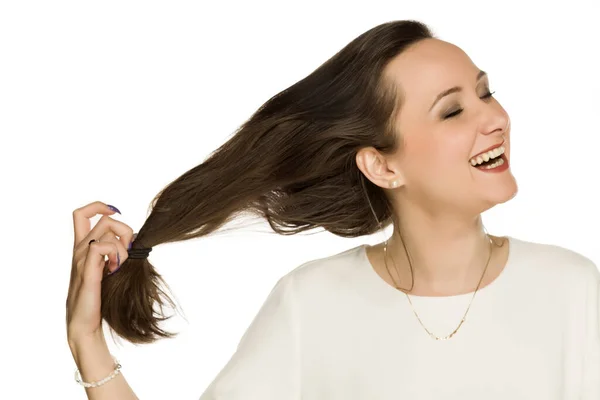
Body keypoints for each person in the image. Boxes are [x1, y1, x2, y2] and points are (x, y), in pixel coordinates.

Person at [65, 20, 600, 399]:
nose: (495, 118)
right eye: (453, 110)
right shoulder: (312, 303)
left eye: (486, 93)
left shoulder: (573, 290)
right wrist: (87, 343)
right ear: (382, 166)